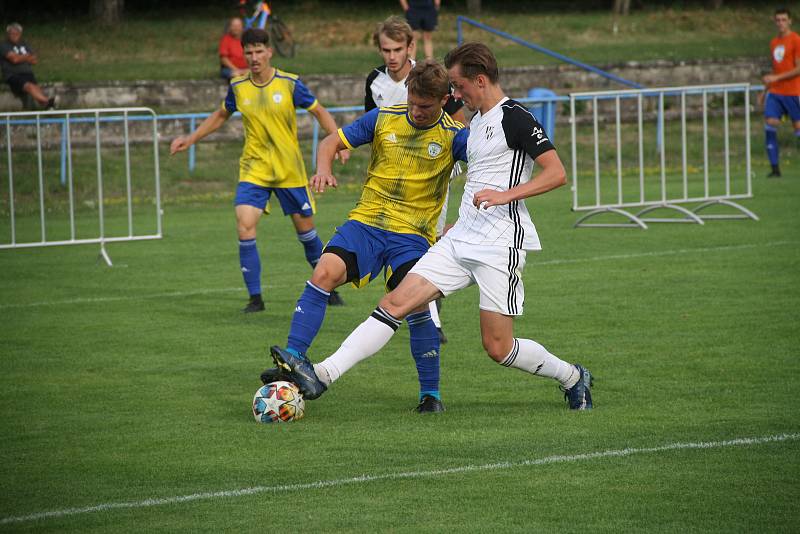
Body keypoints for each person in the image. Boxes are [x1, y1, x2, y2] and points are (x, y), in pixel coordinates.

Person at [272, 43, 594, 411]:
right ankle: (322, 375)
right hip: (460, 239)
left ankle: (572, 376)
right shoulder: (473, 124)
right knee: (395, 302)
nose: (456, 94)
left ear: (480, 79)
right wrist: (463, 219)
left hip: (500, 244)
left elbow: (557, 173)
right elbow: (477, 179)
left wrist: (506, 196)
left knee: (498, 348)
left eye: (459, 86)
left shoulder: (516, 117)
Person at [265, 60, 468, 413]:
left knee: (417, 305)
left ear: (444, 100)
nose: (417, 111)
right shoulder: (384, 118)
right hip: (367, 222)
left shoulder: (455, 135)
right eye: (413, 102)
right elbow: (331, 141)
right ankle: (294, 359)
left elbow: (485, 174)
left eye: (426, 106)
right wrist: (323, 169)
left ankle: (430, 395)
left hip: (412, 235)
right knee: (323, 272)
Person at [170, 28, 347, 313]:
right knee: (244, 225)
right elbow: (220, 116)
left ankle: (328, 288)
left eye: (258, 51)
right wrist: (190, 139)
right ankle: (256, 299)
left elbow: (320, 112)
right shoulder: (239, 87)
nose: (254, 57)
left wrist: (339, 142)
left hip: (289, 171)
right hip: (254, 170)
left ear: (269, 52)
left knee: (307, 234)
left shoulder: (290, 84)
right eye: (248, 52)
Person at [366, 15, 466, 344]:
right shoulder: (374, 82)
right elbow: (372, 125)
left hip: (433, 169)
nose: (391, 56)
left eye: (397, 49)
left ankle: (429, 318)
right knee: (408, 247)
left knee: (425, 245)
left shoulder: (429, 79)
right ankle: (426, 312)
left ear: (410, 47)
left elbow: (457, 119)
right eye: (385, 50)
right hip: (392, 178)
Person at [762, 7, 800, 178]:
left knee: (798, 128)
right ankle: (775, 169)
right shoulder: (774, 43)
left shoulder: (796, 40)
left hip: (793, 91)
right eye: (778, 20)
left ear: (790, 21)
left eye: (784, 20)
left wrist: (776, 78)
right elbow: (774, 70)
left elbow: (799, 69)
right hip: (776, 92)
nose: (781, 23)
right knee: (770, 122)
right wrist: (765, 90)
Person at [0, 23, 55, 110]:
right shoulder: (4, 45)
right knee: (29, 86)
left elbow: (34, 60)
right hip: (13, 74)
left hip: (27, 73)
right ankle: (48, 102)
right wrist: (26, 57)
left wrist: (19, 57)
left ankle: (48, 107)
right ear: (8, 34)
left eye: (16, 33)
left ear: (20, 34)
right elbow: (14, 60)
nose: (14, 36)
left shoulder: (24, 44)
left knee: (36, 88)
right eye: (12, 34)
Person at [219, 17, 249, 81]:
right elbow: (223, 59)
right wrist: (237, 70)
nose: (236, 28)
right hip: (230, 69)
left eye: (238, 26)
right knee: (236, 76)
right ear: (230, 28)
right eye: (234, 26)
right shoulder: (225, 39)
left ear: (242, 27)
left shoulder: (247, 39)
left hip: (246, 68)